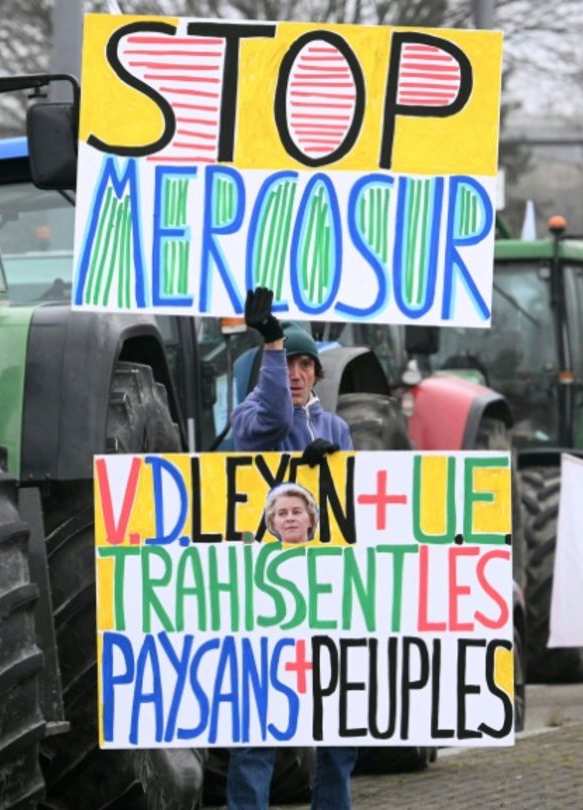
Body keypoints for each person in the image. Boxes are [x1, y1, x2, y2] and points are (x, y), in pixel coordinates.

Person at [227, 286, 355, 810]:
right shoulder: (248, 420)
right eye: (287, 365)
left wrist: (331, 472)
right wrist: (273, 344)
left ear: (318, 374)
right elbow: (276, 418)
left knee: (338, 733)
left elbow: (348, 515)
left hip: (324, 598)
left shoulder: (336, 428)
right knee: (257, 732)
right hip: (266, 601)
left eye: (306, 365)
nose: (297, 374)